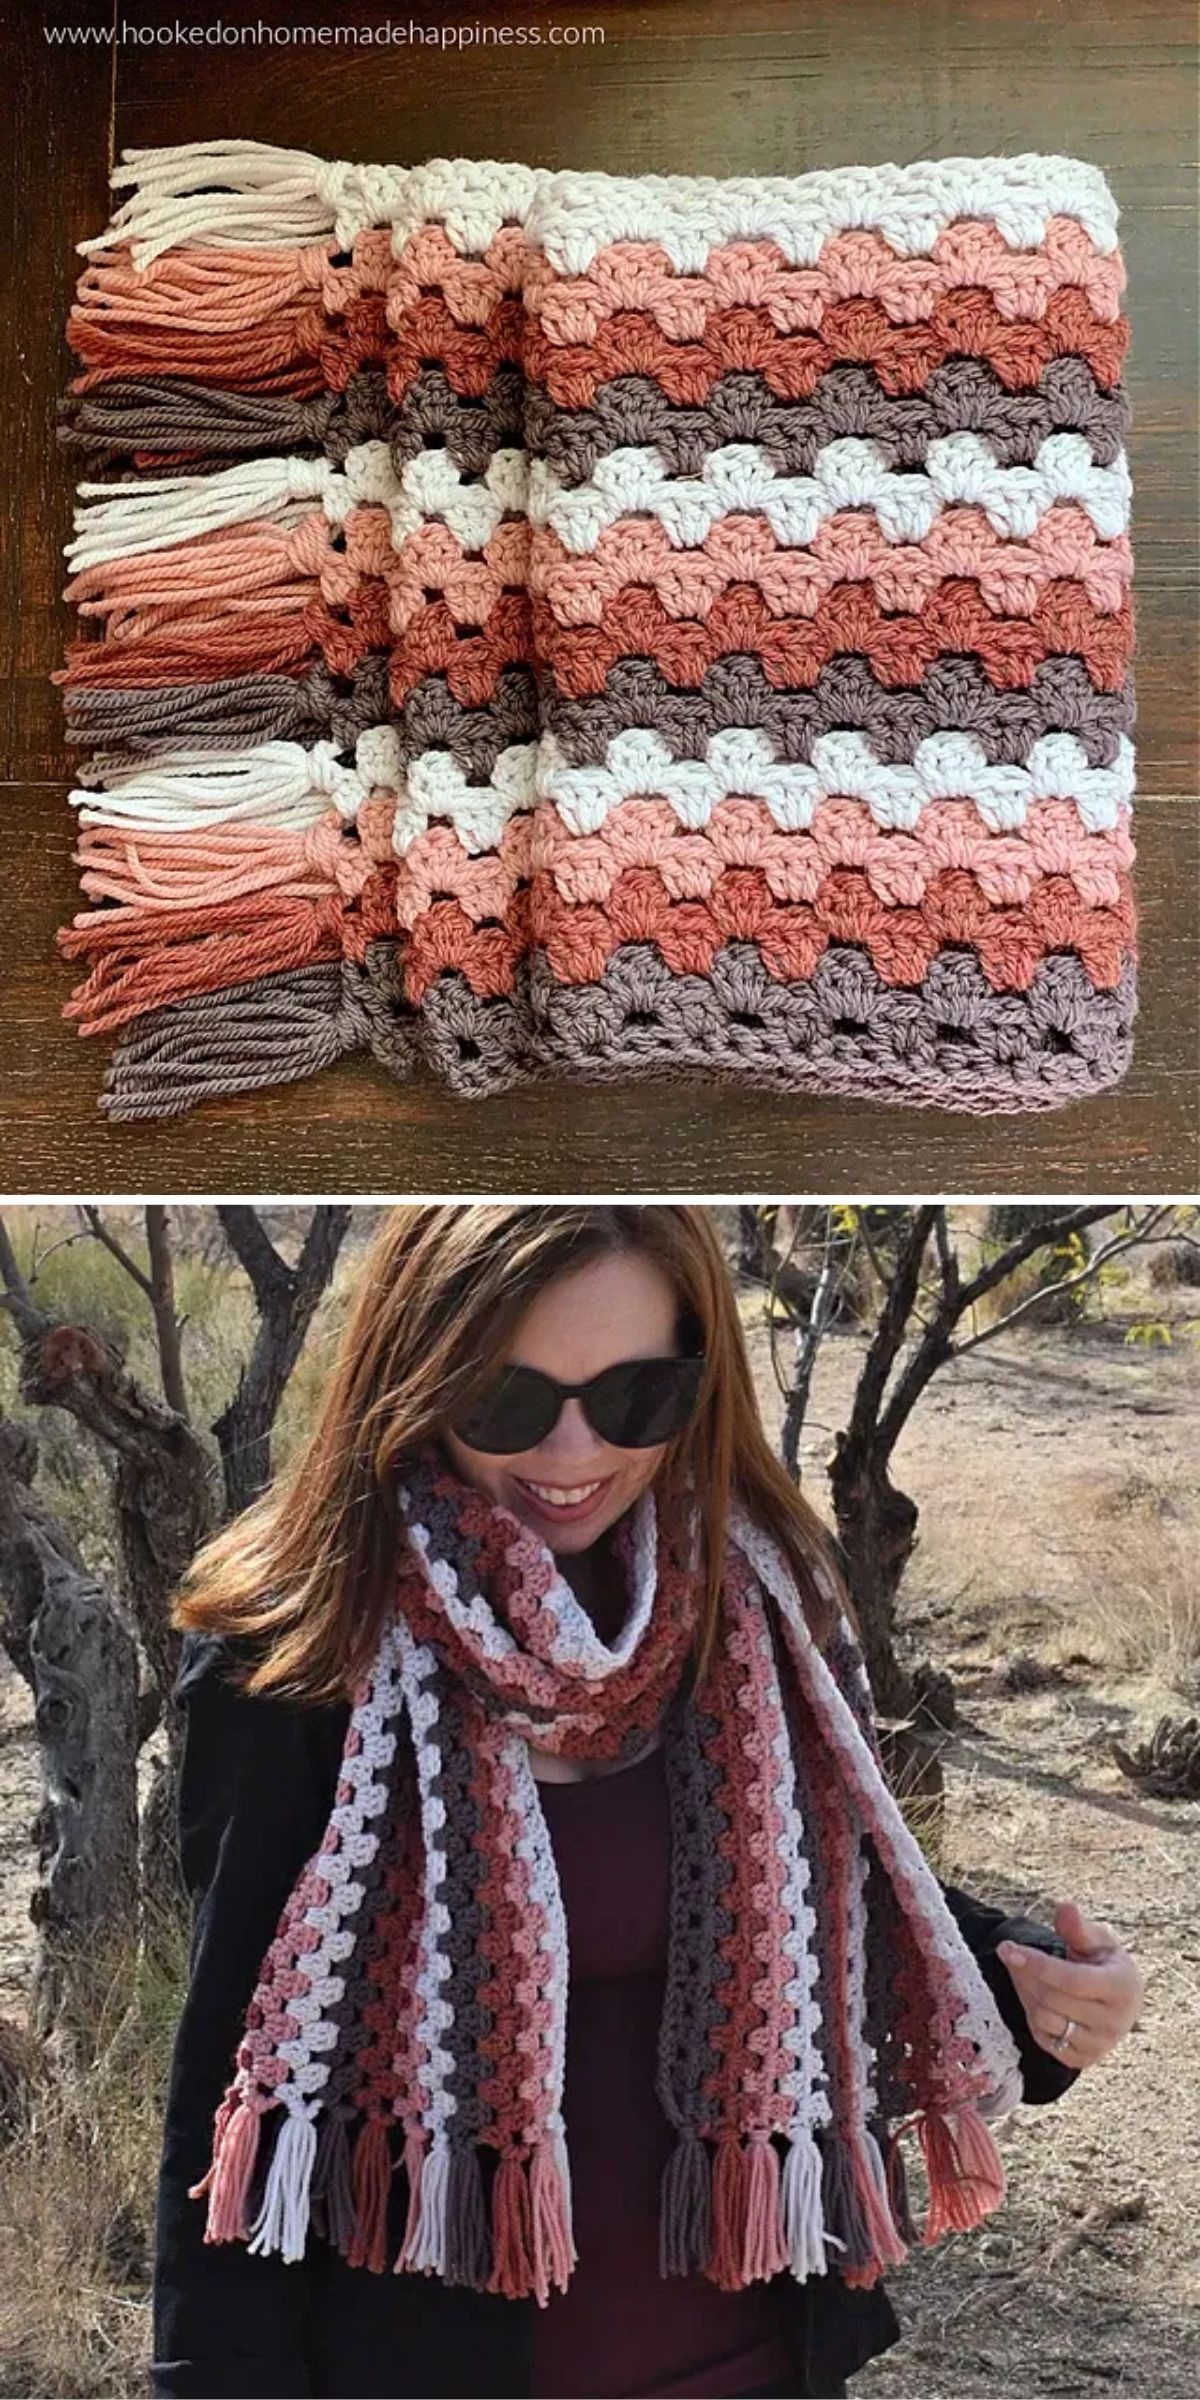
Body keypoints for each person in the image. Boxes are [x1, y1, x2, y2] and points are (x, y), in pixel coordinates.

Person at [152, 1205, 1144, 2400]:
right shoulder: (303, 1651)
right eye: (508, 1401)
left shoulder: (755, 1596)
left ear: (700, 1383)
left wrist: (1030, 1981)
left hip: (756, 2363)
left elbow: (828, 1893)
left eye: (637, 1397)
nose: (573, 1451)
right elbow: (229, 2084)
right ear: (415, 1377)